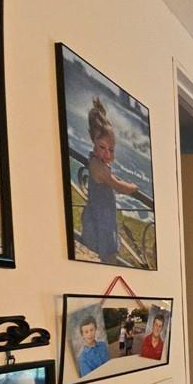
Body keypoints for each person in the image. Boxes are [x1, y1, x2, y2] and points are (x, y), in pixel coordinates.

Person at [79, 97, 140, 264]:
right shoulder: (99, 167)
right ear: (93, 141)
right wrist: (132, 187)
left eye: (111, 150)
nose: (107, 154)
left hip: (101, 217)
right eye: (102, 148)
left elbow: (109, 179)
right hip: (101, 222)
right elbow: (118, 186)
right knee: (108, 259)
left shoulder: (97, 162)